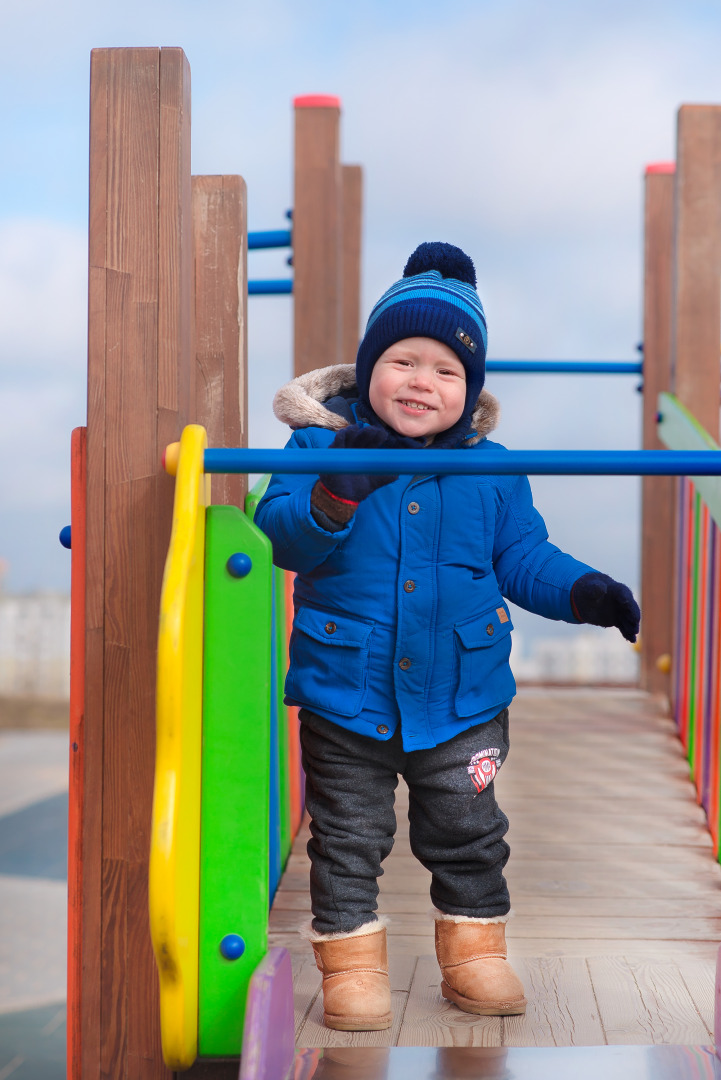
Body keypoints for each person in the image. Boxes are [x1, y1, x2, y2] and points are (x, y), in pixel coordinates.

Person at [254, 242, 640, 1032]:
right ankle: (352, 967)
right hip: (345, 690)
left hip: (460, 697)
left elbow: (521, 556)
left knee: (467, 831)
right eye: (402, 360)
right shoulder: (319, 449)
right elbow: (279, 537)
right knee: (349, 836)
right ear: (367, 371)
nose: (421, 382)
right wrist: (336, 495)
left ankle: (474, 957)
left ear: (469, 393)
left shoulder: (491, 468)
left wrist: (583, 592)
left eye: (445, 371)